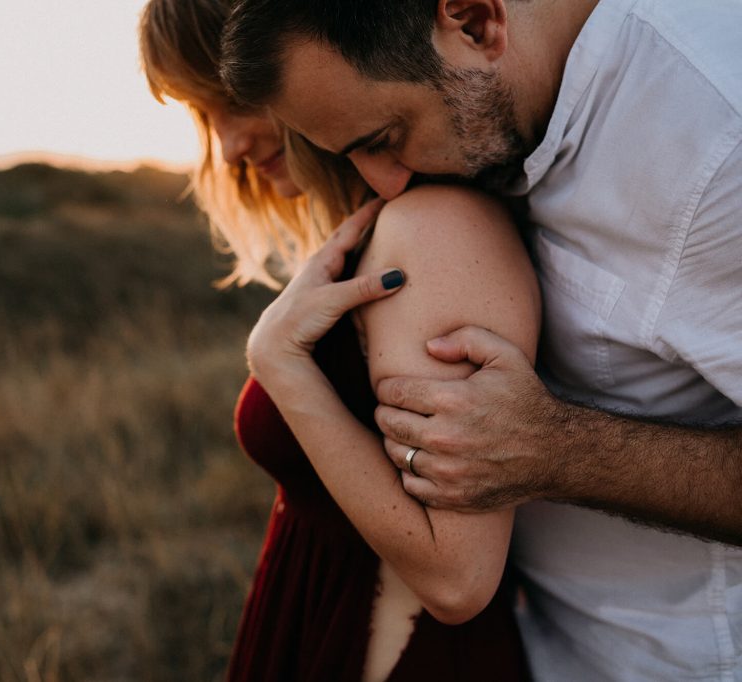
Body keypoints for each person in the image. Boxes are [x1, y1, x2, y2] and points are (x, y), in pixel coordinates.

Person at [219, 0, 742, 679]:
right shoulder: (503, 109)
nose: (387, 182)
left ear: (474, 21)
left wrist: (557, 449)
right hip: (546, 646)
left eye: (384, 136)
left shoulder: (716, 144)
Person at [140, 1, 540, 680]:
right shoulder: (370, 232)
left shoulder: (436, 230)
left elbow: (458, 574)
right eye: (201, 118)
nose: (229, 146)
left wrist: (281, 367)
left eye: (230, 100)